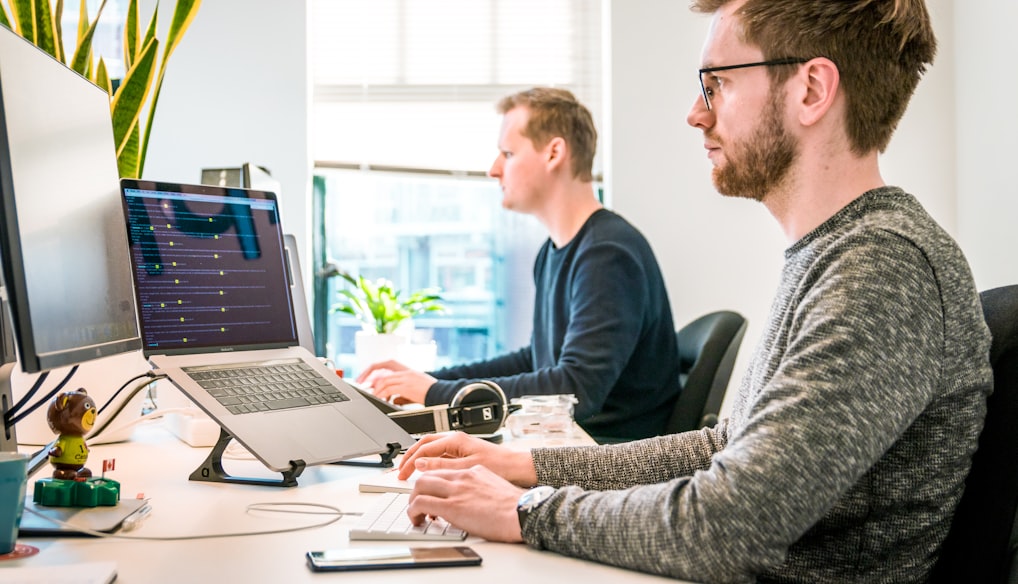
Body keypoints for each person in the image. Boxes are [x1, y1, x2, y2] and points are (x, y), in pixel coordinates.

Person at [393, 1, 994, 582]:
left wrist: (517, 511)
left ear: (811, 90)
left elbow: (729, 523)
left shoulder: (881, 267)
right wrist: (522, 466)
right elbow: (724, 447)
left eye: (717, 85)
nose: (696, 113)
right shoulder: (835, 253)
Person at [358, 87, 680, 441]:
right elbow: (536, 360)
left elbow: (575, 390)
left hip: (606, 457)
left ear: (554, 153)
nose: (493, 170)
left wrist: (436, 394)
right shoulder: (555, 251)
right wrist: (433, 381)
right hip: (571, 444)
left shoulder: (608, 254)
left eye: (508, 153)